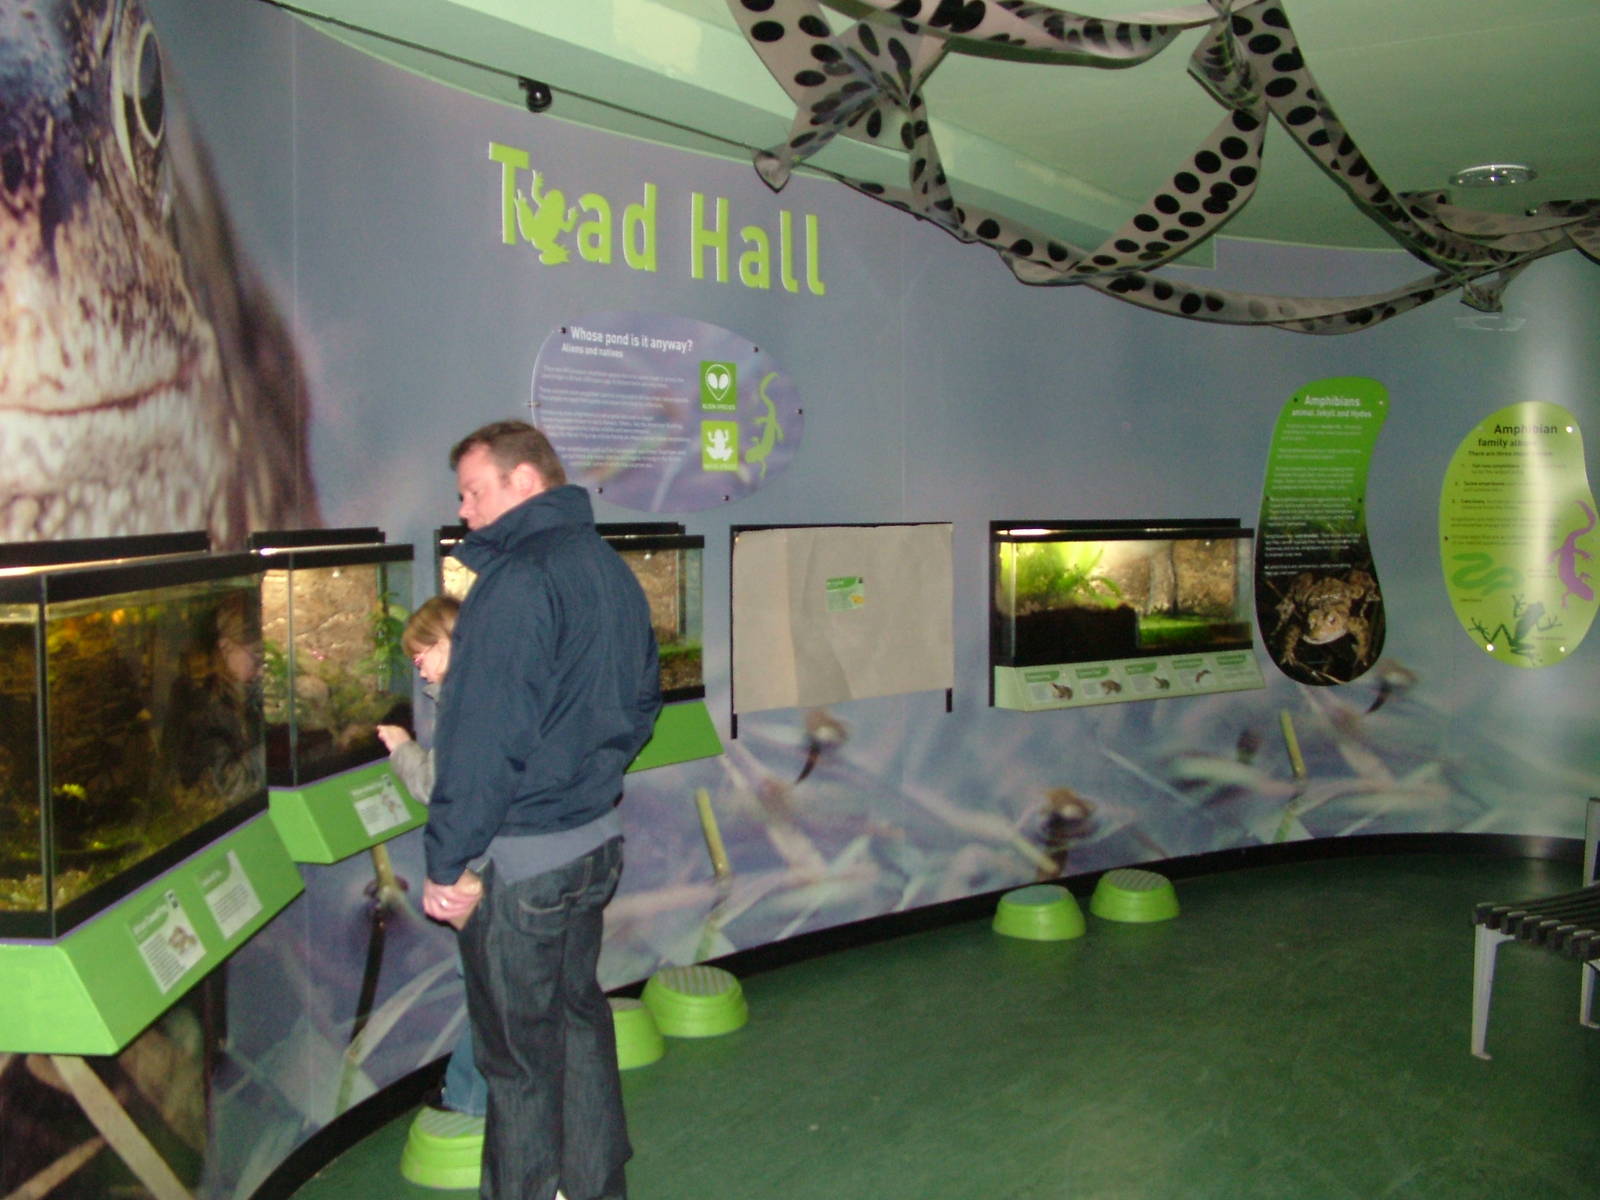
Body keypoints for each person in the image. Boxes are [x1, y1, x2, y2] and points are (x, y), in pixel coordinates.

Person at [422, 420, 661, 1200]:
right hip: (595, 846)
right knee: (579, 1026)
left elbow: (481, 740)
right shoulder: (607, 568)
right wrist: (587, 779)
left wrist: (447, 864)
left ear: (524, 482)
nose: (464, 509)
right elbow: (642, 704)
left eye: (474, 490)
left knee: (518, 1061)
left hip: (523, 865)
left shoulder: (515, 583)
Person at [374, 595, 489, 1124]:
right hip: (505, 861)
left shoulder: (467, 701)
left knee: (485, 987)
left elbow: (436, 784)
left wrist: (401, 747)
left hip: (482, 867)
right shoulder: (487, 689)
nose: (416, 662)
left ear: (449, 639)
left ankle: (467, 1094)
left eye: (422, 651)